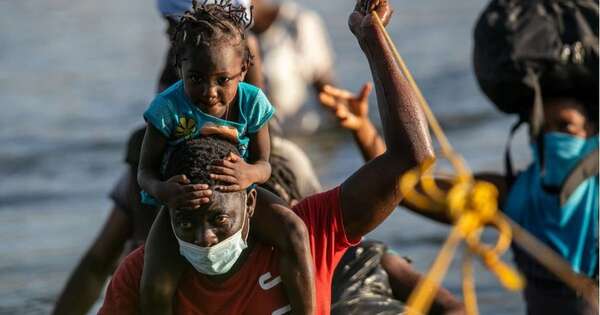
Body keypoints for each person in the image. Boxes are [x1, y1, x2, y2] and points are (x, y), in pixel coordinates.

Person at [99, 0, 438, 313]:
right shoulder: (139, 275)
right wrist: (164, 192)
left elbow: (412, 159)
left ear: (249, 204)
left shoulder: (312, 231)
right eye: (187, 223)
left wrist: (373, 40)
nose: (204, 240)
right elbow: (146, 171)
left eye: (219, 220)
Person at [319, 64, 599, 315]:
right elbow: (412, 188)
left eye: (565, 127)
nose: (552, 137)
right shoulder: (508, 192)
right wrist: (363, 129)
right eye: (542, 129)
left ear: (592, 130)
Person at [137, 2, 316, 314]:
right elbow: (145, 172)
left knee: (295, 232)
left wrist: (248, 175)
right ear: (179, 67)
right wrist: (165, 192)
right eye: (196, 78)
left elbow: (264, 163)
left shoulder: (252, 102)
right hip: (182, 203)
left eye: (223, 79)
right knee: (154, 283)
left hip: (235, 194)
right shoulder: (166, 108)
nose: (209, 91)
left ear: (244, 69)